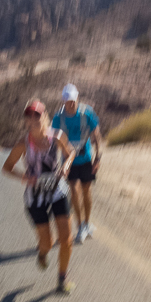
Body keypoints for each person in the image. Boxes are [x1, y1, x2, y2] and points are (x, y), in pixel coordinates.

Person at [3, 99, 78, 293]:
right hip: (35, 196)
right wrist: (23, 176)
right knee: (47, 242)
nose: (33, 119)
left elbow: (70, 153)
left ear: (45, 117)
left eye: (37, 115)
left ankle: (62, 279)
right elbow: (6, 168)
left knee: (66, 238)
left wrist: (66, 165)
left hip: (57, 190)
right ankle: (42, 253)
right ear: (25, 121)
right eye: (28, 116)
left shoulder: (57, 136)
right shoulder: (23, 144)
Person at [51, 83, 103, 243]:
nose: (71, 103)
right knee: (74, 191)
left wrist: (98, 157)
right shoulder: (58, 118)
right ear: (63, 101)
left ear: (77, 98)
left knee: (87, 191)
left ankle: (87, 223)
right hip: (69, 161)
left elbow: (97, 135)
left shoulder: (87, 113)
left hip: (86, 159)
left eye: (73, 100)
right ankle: (80, 226)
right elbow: (54, 141)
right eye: (68, 101)